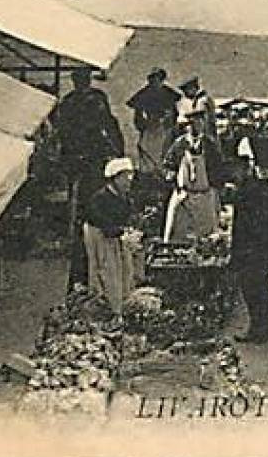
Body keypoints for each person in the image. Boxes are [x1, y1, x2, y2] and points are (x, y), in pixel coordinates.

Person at [54, 67, 124, 285]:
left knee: (87, 203)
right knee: (94, 200)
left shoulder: (71, 102)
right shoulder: (92, 100)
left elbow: (64, 135)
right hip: (89, 161)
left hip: (85, 162)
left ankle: (86, 231)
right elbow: (109, 126)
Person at [228, 157, 268, 343]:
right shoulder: (262, 188)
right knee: (259, 289)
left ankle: (259, 330)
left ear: (245, 170)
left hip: (255, 249)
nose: (233, 176)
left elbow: (249, 225)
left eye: (236, 171)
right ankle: (264, 329)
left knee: (255, 290)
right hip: (263, 248)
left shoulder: (252, 191)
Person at [83, 158, 138, 311]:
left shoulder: (124, 197)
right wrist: (122, 232)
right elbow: (103, 224)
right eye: (125, 179)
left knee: (125, 271)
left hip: (115, 236)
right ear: (115, 179)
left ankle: (123, 303)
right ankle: (110, 307)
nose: (128, 182)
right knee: (107, 272)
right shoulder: (100, 199)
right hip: (99, 237)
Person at [164, 114, 220, 241]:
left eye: (199, 123)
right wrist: (171, 175)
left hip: (204, 196)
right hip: (184, 195)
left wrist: (214, 187)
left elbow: (218, 168)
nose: (196, 127)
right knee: (175, 233)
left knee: (207, 236)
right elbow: (168, 164)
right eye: (192, 124)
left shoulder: (209, 145)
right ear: (187, 127)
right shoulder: (179, 144)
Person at [126, 68, 179, 183]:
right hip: (149, 131)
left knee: (165, 155)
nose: (155, 83)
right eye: (152, 80)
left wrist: (167, 123)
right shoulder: (144, 95)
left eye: (158, 79)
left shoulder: (168, 95)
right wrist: (146, 124)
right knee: (147, 157)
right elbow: (138, 117)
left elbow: (174, 115)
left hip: (164, 131)